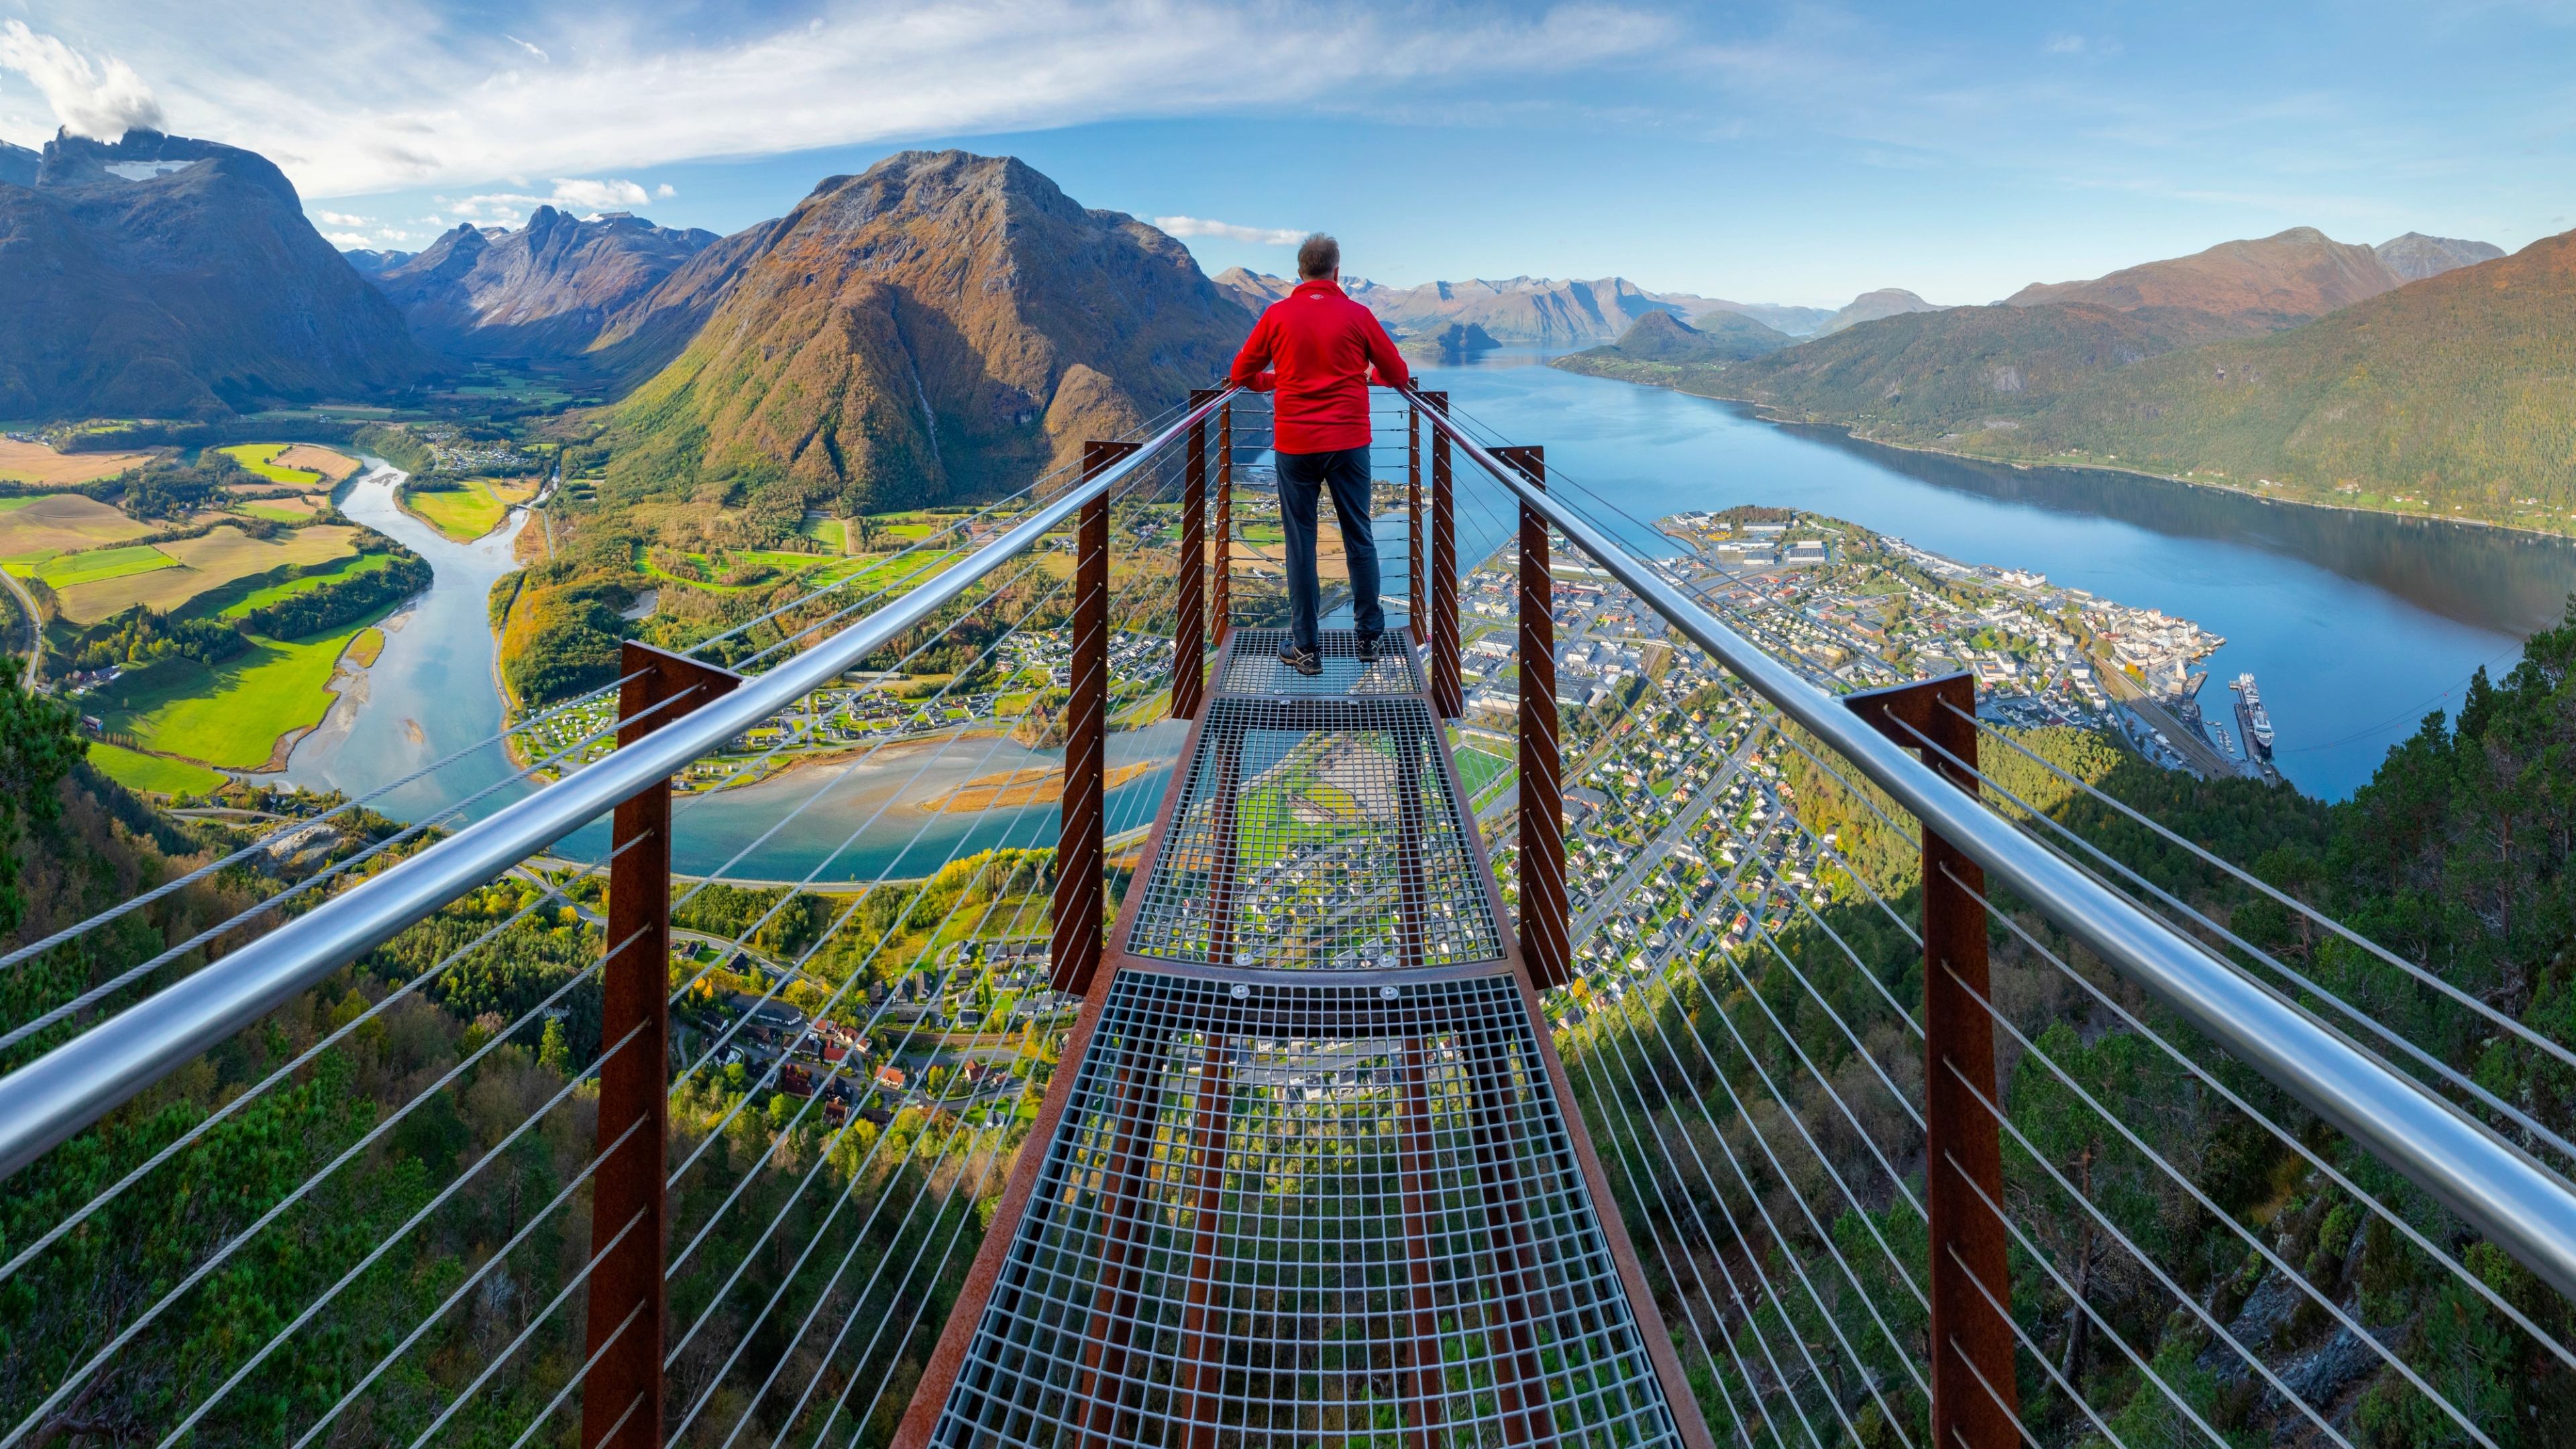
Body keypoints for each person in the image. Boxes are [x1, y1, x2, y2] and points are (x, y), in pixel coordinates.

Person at [1227, 232, 1410, 675]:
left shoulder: (1277, 316)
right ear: (1336, 271)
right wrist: (1365, 377)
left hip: (1296, 447)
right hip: (1348, 443)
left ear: (1299, 273)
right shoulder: (1358, 315)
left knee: (1300, 546)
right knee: (1359, 538)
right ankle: (1368, 640)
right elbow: (1398, 372)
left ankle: (1306, 650)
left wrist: (1278, 382)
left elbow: (1240, 374)